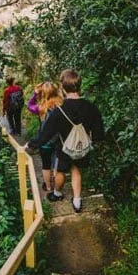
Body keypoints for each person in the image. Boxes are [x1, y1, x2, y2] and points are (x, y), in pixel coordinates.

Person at [25, 69, 103, 213]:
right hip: (82, 147)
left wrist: (31, 144)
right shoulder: (91, 107)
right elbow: (98, 133)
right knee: (76, 169)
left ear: (63, 87)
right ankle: (77, 201)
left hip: (64, 148)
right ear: (80, 85)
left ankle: (57, 193)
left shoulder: (59, 111)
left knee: (61, 170)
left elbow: (45, 135)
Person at [29, 81, 63, 194]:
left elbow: (29, 105)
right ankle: (56, 185)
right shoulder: (62, 106)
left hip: (44, 142)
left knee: (46, 165)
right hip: (59, 141)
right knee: (56, 164)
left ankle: (48, 187)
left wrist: (35, 94)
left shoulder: (41, 108)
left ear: (42, 94)